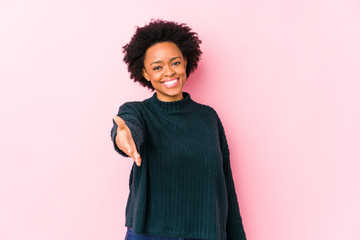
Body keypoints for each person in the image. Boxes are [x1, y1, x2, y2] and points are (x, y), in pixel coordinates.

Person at [110, 19, 247, 240]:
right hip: (150, 235)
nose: (168, 72)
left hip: (207, 234)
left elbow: (226, 188)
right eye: (157, 67)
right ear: (145, 73)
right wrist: (124, 139)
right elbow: (127, 127)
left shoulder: (208, 117)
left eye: (175, 63)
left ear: (185, 62)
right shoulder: (137, 113)